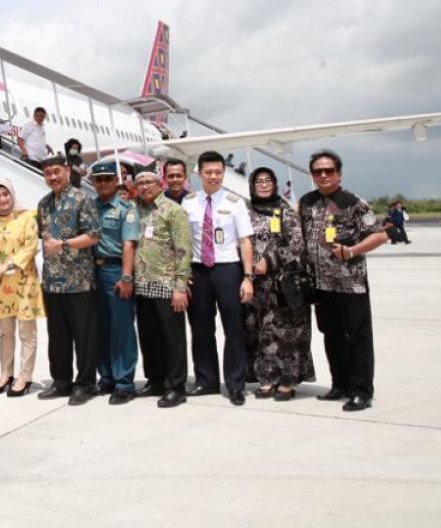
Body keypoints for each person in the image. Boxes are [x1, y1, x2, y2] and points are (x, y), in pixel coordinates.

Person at [299, 149, 388, 412]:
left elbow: (379, 236)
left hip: (350, 283)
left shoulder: (354, 202)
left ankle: (361, 391)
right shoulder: (306, 202)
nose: (323, 175)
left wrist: (351, 251)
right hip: (321, 285)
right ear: (312, 175)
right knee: (331, 335)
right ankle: (340, 384)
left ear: (339, 173)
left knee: (357, 337)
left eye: (329, 171)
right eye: (318, 171)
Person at [181, 150, 256, 406]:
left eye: (218, 172)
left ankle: (236, 384)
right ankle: (206, 380)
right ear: (199, 173)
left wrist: (247, 277)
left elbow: (245, 241)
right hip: (198, 270)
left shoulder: (235, 202)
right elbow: (183, 241)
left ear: (224, 173)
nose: (213, 176)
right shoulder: (189, 202)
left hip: (227, 270)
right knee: (201, 329)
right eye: (208, 172)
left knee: (234, 328)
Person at [35, 155, 100, 406]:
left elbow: (93, 236)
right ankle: (61, 382)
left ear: (67, 170)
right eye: (48, 173)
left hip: (79, 280)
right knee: (58, 337)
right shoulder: (43, 204)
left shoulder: (83, 198)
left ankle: (85, 384)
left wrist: (62, 244)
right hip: (52, 281)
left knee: (83, 336)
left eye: (56, 172)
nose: (53, 177)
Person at [243, 167, 313, 401]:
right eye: (258, 181)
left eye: (268, 181)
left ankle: (287, 380)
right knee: (261, 331)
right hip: (255, 284)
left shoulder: (285, 211)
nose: (263, 185)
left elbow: (297, 244)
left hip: (283, 283)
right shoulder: (246, 211)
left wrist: (269, 261)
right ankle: (266, 378)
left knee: (287, 334)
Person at [132, 170, 192, 408]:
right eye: (140, 183)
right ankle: (155, 380)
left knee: (173, 339)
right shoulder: (137, 210)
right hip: (143, 286)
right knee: (149, 338)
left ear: (160, 184)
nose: (145, 186)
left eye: (149, 182)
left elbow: (184, 249)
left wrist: (180, 287)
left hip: (168, 286)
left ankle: (176, 386)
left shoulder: (173, 210)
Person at [0, 179, 44, 398]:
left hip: (24, 281)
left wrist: (8, 264)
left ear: (12, 195)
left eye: (5, 194)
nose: (2, 199)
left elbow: (31, 246)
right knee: (6, 333)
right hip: (2, 285)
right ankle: (6, 374)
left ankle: (24, 377)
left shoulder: (27, 217)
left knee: (27, 332)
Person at [89, 159, 140, 405]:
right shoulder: (89, 208)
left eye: (108, 179)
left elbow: (129, 245)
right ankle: (106, 377)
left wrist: (127, 276)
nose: (103, 183)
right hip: (92, 273)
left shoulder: (126, 209)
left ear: (116, 181)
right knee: (100, 328)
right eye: (98, 179)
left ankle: (124, 382)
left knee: (122, 329)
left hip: (116, 271)